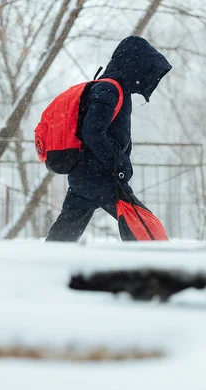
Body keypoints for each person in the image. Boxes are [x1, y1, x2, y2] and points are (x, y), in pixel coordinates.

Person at [46, 36, 172, 242]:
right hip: (102, 176)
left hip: (85, 175)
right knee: (144, 227)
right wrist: (119, 163)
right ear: (134, 65)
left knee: (65, 231)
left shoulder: (114, 89)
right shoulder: (109, 89)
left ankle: (46, 263)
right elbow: (92, 132)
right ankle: (158, 263)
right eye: (146, 71)